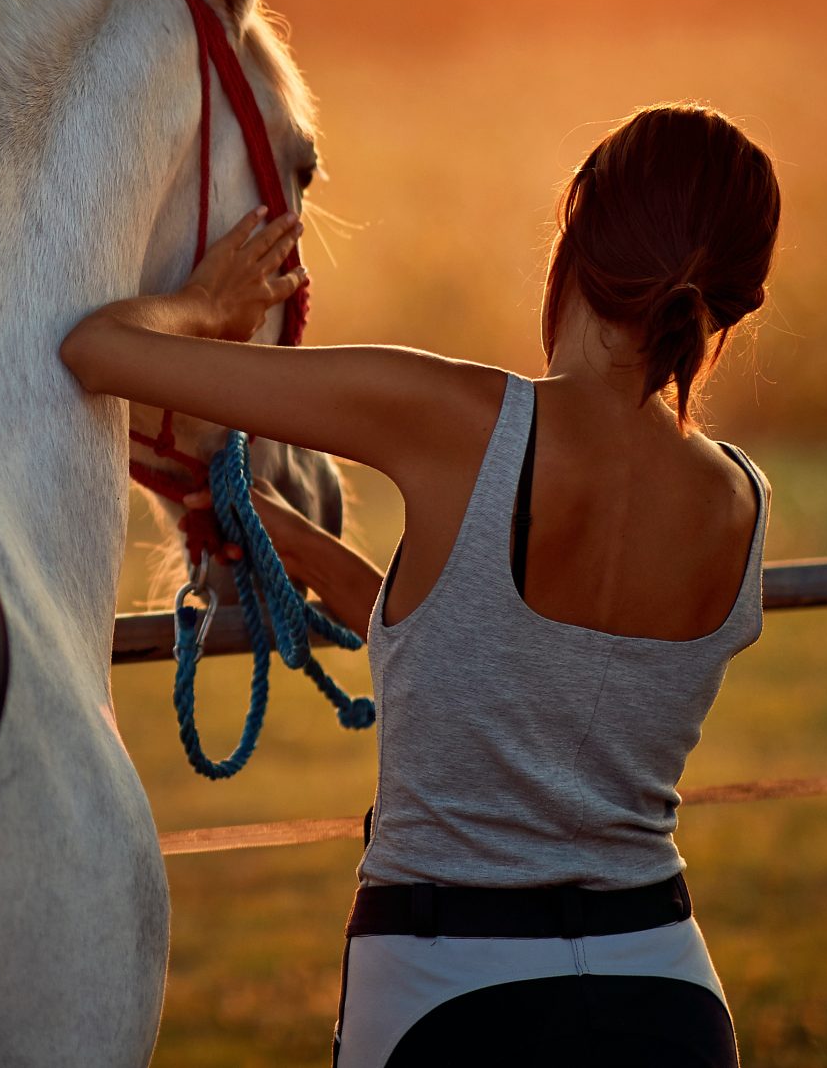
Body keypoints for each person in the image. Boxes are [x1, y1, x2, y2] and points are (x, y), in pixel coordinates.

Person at [62, 103, 781, 1067]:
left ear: (577, 228)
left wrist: (205, 304)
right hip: (667, 988)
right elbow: (475, 641)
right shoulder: (738, 497)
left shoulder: (457, 417)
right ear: (728, 307)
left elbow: (95, 349)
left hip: (452, 989)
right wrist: (271, 527)